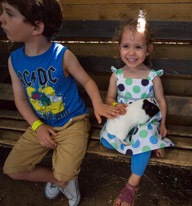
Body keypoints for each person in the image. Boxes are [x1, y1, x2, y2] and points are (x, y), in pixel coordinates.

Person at [0, 0, 118, 205]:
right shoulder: (14, 60)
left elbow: (87, 81)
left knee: (65, 173)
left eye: (9, 14)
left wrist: (97, 104)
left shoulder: (62, 55)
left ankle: (63, 178)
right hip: (41, 124)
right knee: (12, 170)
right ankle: (59, 181)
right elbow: (20, 99)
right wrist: (37, 127)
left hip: (73, 122)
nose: (2, 19)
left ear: (37, 27)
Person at [100, 10, 174, 206]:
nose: (131, 53)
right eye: (126, 46)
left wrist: (163, 123)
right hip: (124, 117)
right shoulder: (117, 75)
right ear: (119, 47)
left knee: (142, 137)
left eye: (138, 47)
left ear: (148, 49)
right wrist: (115, 106)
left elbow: (161, 101)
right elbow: (109, 98)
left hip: (147, 119)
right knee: (108, 141)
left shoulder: (152, 77)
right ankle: (150, 146)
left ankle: (131, 187)